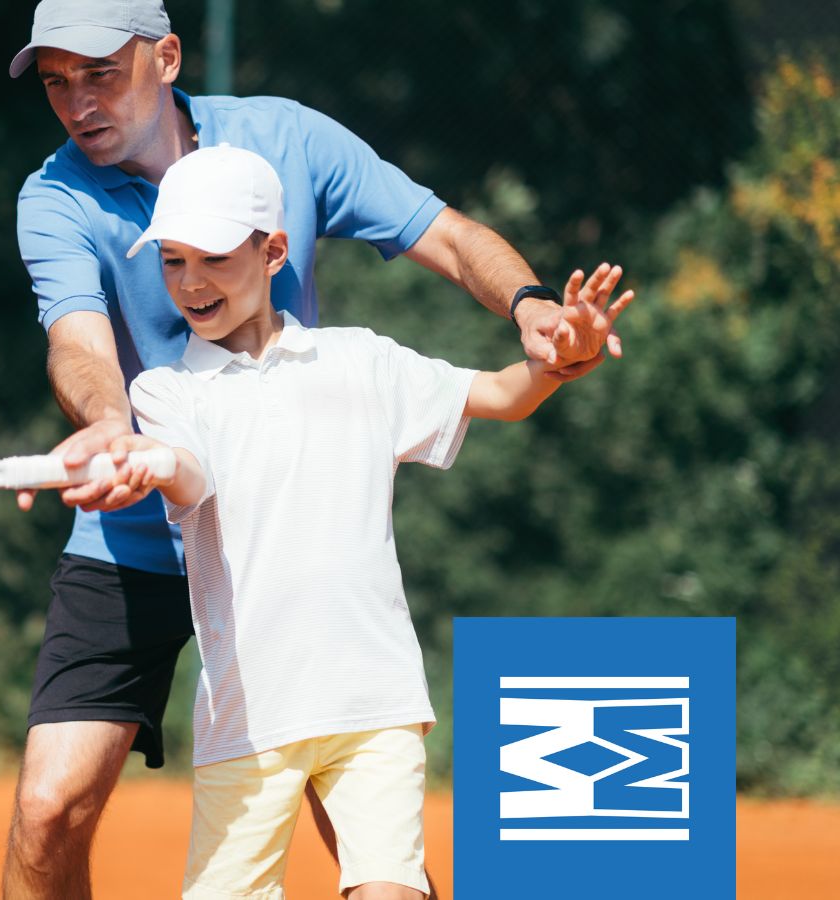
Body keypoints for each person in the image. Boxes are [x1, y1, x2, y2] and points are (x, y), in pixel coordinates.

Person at [3, 2, 623, 896]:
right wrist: (110, 426)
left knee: (371, 847)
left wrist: (534, 312)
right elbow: (79, 342)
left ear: (167, 57)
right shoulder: (55, 194)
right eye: (57, 82)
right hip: (135, 525)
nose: (78, 103)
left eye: (100, 72)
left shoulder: (287, 140)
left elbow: (444, 234)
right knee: (47, 809)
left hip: (279, 546)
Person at [114, 144, 630, 899]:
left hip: (374, 700)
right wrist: (153, 465)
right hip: (249, 720)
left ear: (274, 250)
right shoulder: (165, 393)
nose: (190, 282)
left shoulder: (362, 361)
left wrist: (560, 358)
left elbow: (500, 393)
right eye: (172, 260)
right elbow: (187, 474)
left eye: (215, 258)